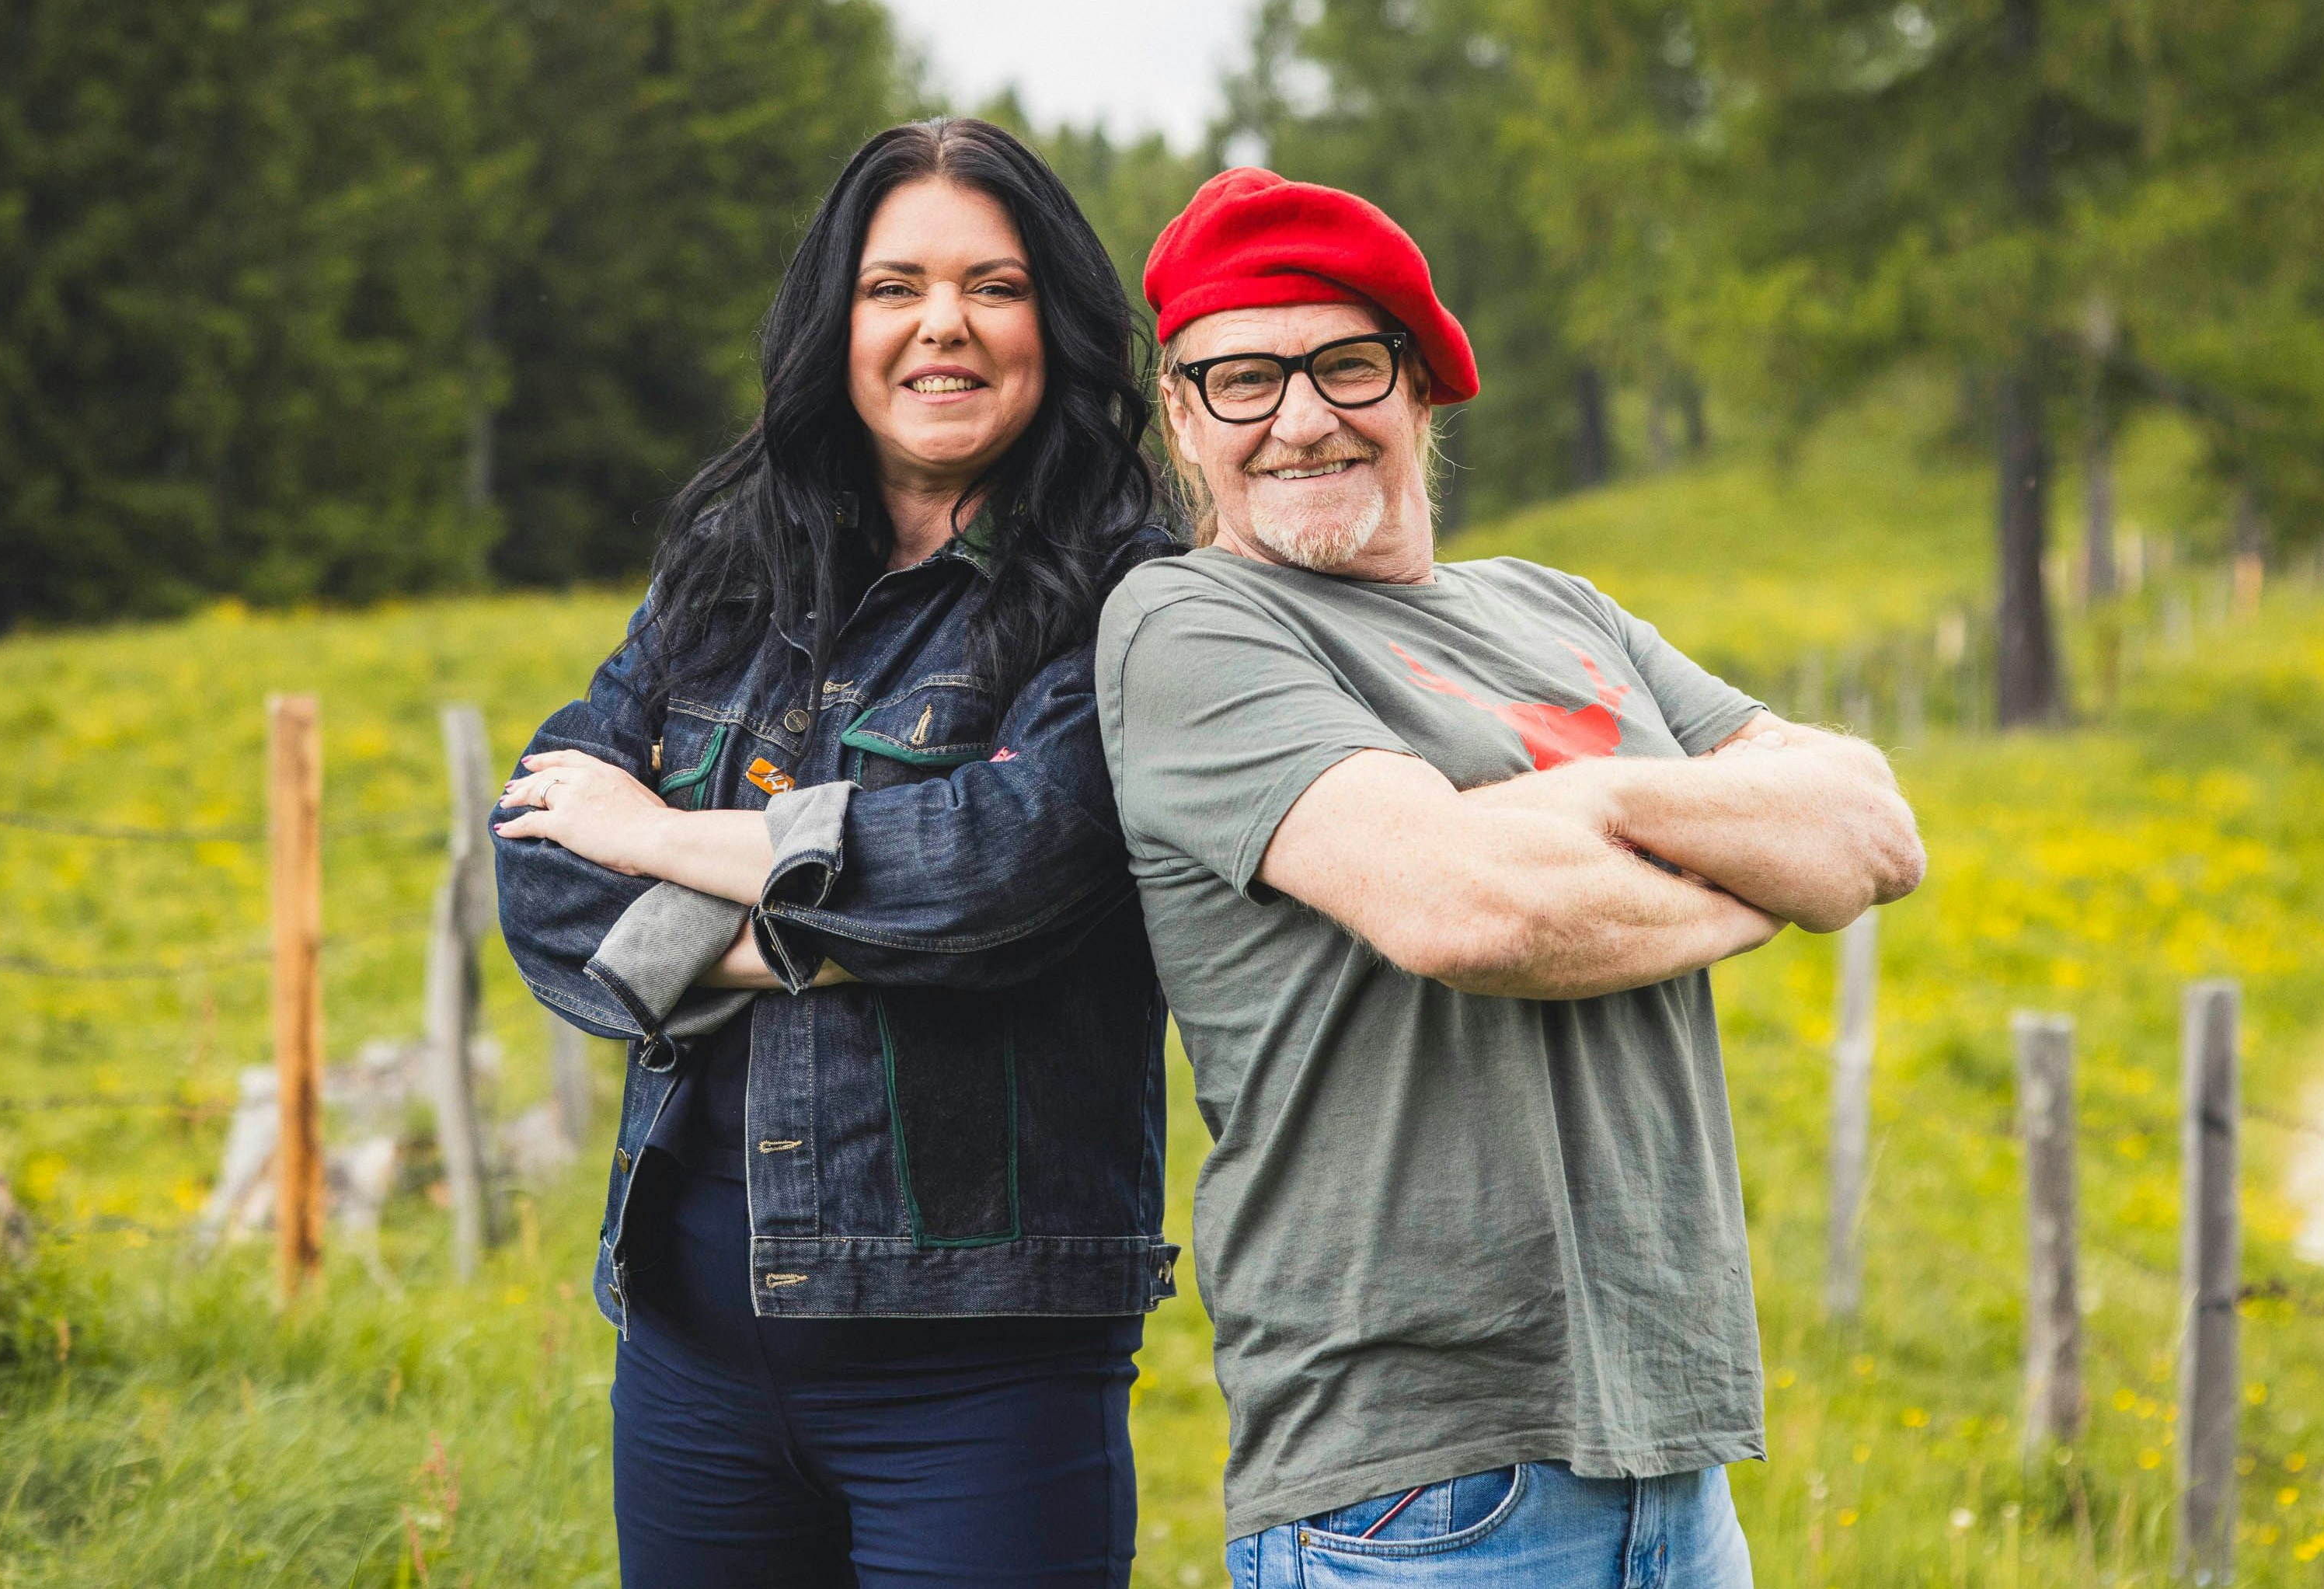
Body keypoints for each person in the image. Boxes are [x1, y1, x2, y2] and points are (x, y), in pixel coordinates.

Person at [1096, 168, 1928, 1587]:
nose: (1300, 417)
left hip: (1678, 1463)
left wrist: (1576, 826)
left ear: (1421, 385)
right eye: (1241, 377)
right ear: (1181, 412)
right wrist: (1731, 861)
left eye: (1345, 363)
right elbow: (1475, 910)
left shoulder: (1559, 608)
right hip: (1418, 1487)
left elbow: (1869, 832)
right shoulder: (1186, 624)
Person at [490, 117, 1176, 1589]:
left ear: (1053, 321)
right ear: (837, 324)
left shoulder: (1130, 592)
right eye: (895, 286)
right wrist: (827, 921)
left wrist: (670, 839)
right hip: (690, 1341)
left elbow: (999, 871)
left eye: (994, 286)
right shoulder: (729, 569)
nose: (945, 325)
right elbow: (547, 862)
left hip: (981, 1366)